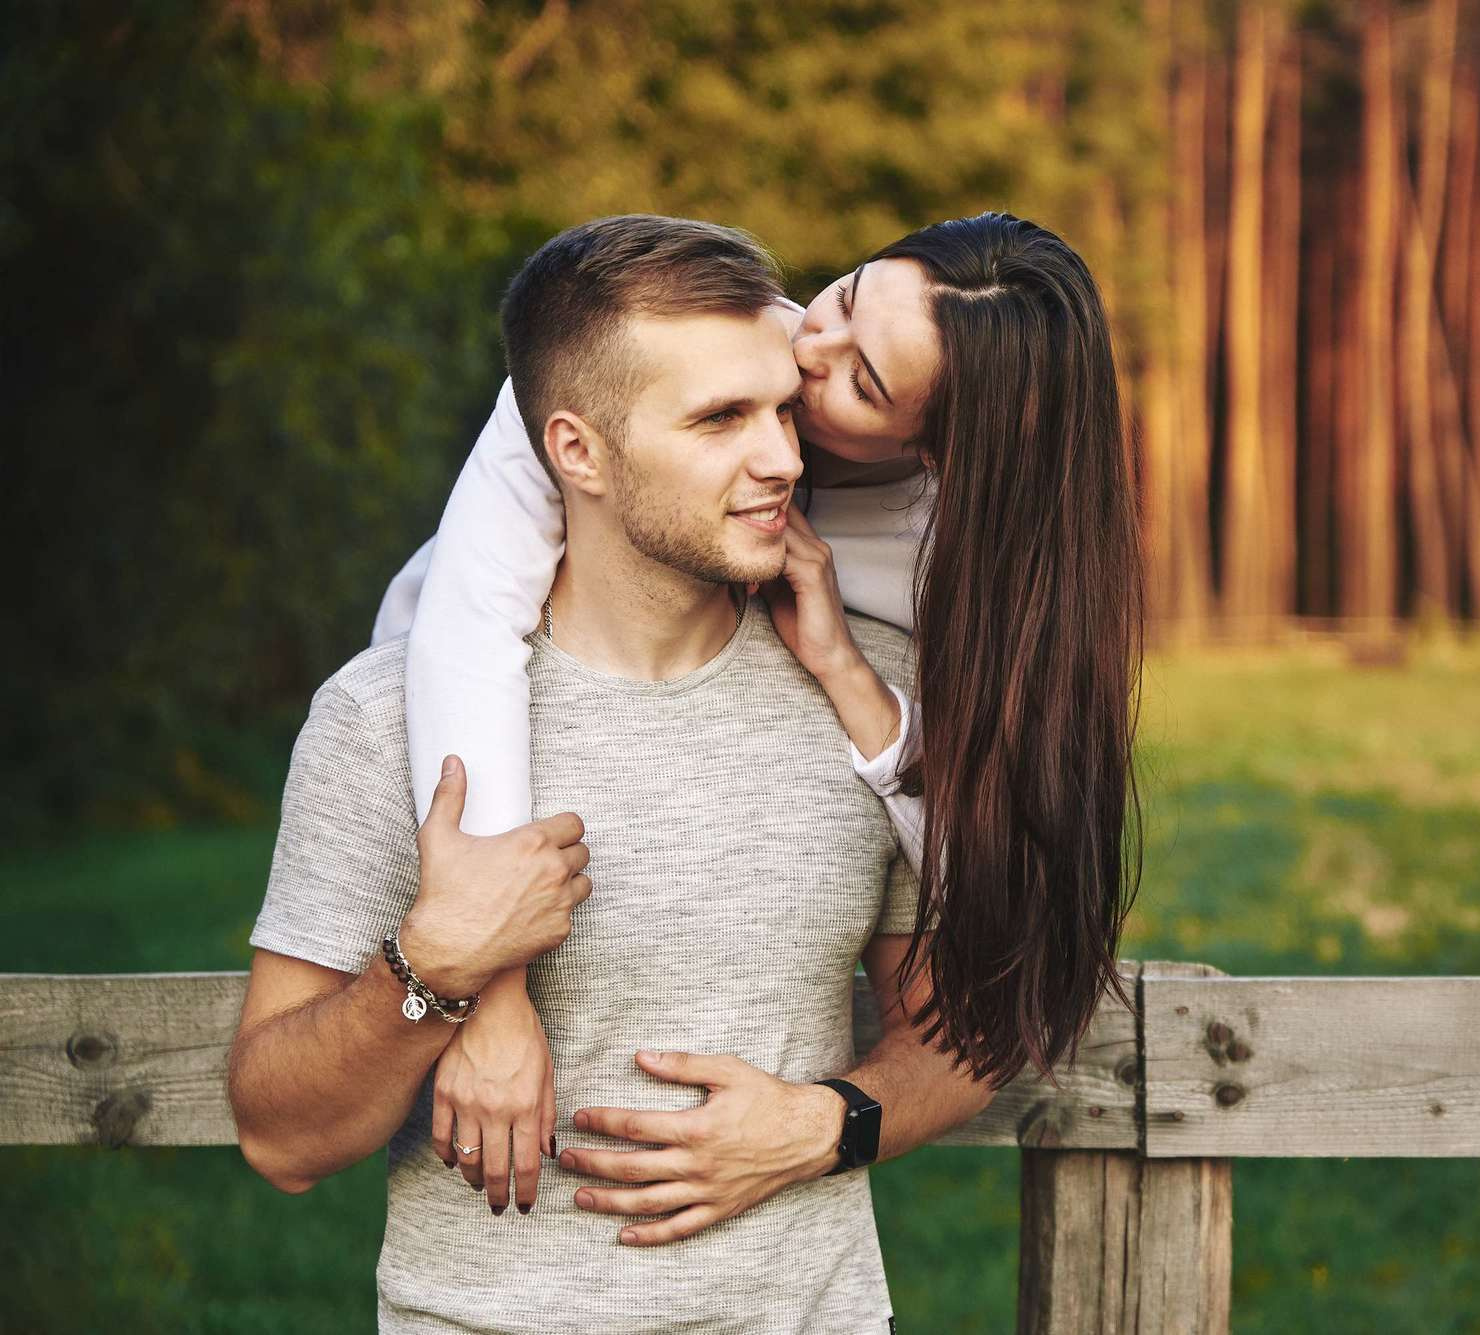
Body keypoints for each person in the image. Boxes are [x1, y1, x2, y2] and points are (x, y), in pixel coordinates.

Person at [228, 215, 993, 1332]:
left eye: (782, 408)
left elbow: (966, 1025)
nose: (784, 456)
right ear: (575, 451)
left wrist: (826, 1123)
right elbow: (280, 1140)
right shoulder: (380, 716)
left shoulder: (867, 695)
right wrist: (437, 970)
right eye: (721, 419)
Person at [375, 211, 1145, 1214]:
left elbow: (1008, 904)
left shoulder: (980, 559)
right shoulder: (662, 358)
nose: (806, 346)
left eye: (862, 382)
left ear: (938, 452)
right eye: (846, 296)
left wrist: (848, 678)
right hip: (457, 719)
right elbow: (465, 631)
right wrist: (489, 992)